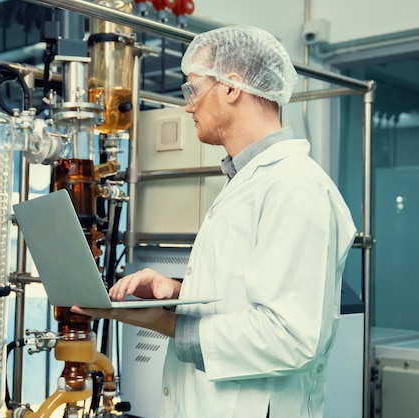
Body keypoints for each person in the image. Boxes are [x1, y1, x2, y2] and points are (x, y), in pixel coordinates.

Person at [71, 25, 357, 418]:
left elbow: (290, 336)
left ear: (231, 87)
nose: (188, 105)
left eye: (193, 88)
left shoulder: (295, 189)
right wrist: (177, 290)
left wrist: (168, 323)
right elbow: (247, 287)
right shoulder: (249, 181)